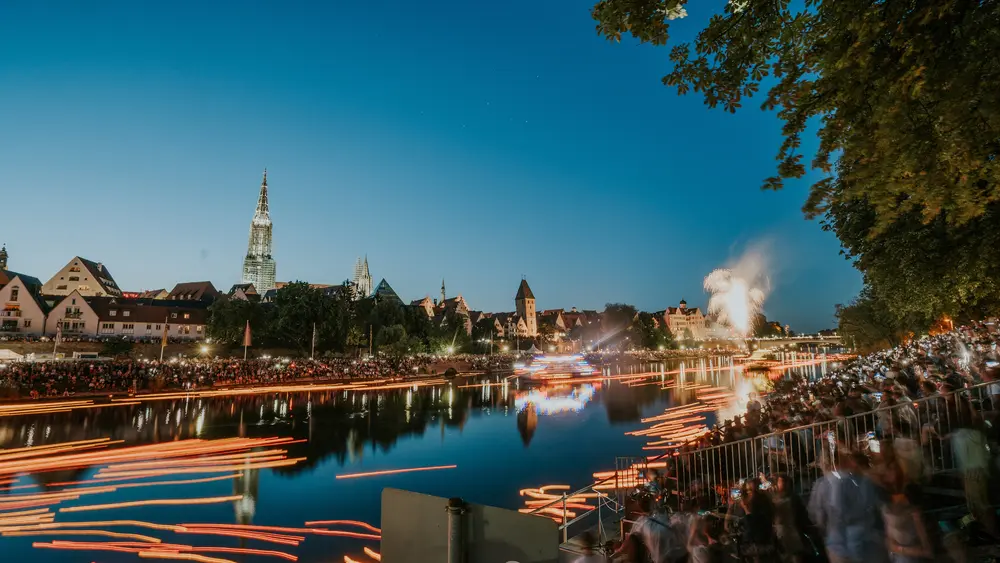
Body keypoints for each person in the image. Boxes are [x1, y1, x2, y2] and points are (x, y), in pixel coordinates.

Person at [808, 452, 887, 563]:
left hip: (837, 545)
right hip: (866, 543)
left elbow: (818, 517)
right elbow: (876, 509)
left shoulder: (822, 484)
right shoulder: (864, 481)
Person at [613, 494, 684, 563]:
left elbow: (629, 541)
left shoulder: (641, 523)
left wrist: (616, 552)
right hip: (679, 554)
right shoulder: (663, 516)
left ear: (639, 506)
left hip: (663, 558)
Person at [726, 479, 775, 563]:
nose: (745, 495)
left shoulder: (761, 511)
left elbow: (754, 534)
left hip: (759, 552)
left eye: (749, 491)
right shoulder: (743, 510)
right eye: (745, 491)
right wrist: (731, 507)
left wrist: (746, 509)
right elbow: (728, 527)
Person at [882, 485, 933, 563]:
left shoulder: (913, 514)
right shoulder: (888, 510)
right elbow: (890, 543)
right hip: (901, 554)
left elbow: (927, 550)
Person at [771, 474, 807, 563]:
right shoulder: (775, 498)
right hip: (782, 535)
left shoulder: (792, 498)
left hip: (791, 533)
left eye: (782, 482)